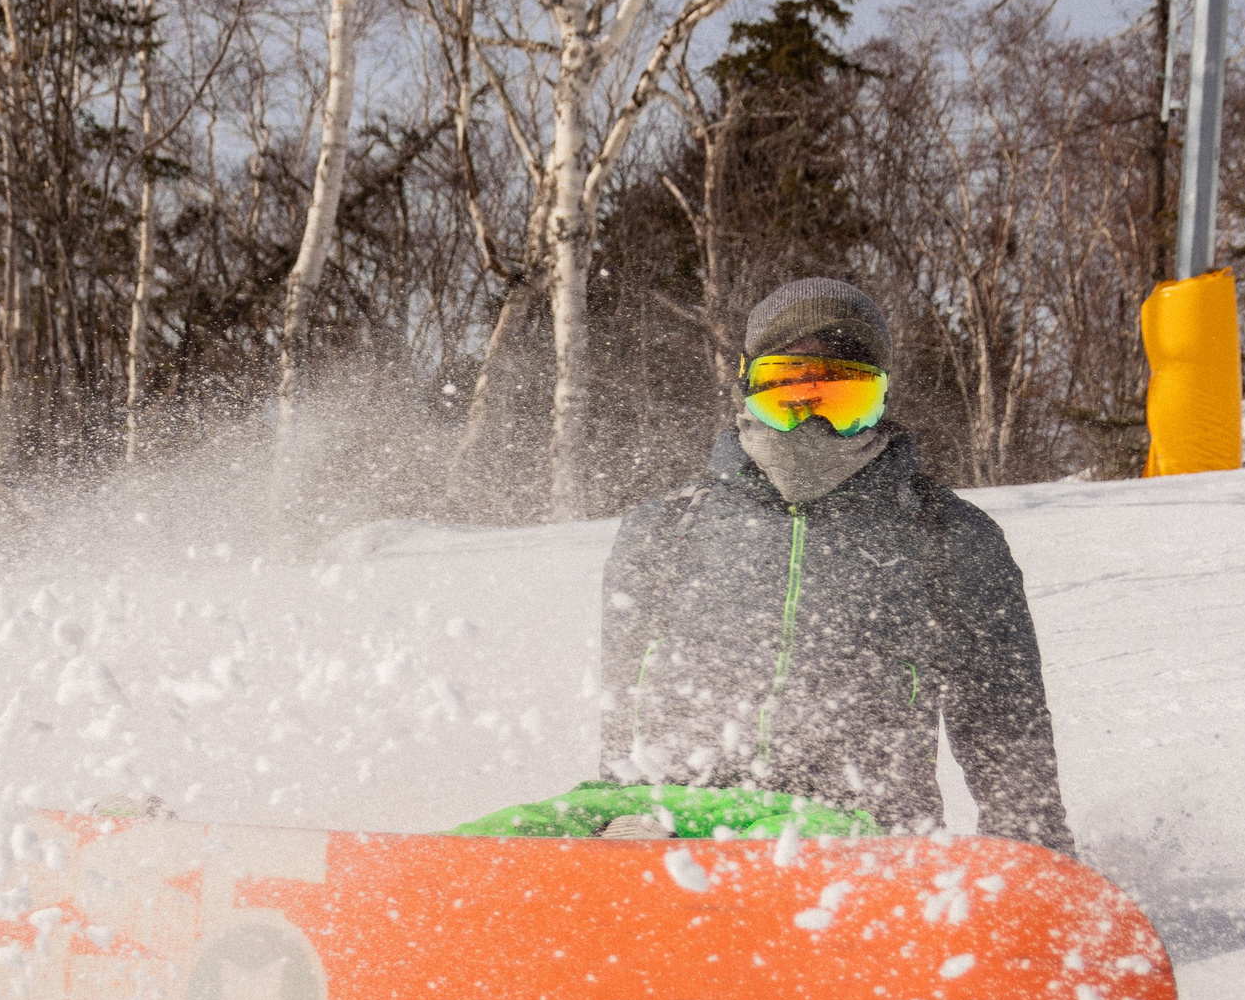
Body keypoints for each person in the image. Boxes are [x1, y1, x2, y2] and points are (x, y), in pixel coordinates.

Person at [458, 278, 1073, 855]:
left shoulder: (947, 537)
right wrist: (618, 828)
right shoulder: (667, 529)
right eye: (789, 394)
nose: (812, 421)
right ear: (747, 388)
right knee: (515, 837)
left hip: (865, 856)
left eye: (842, 398)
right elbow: (628, 713)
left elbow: (1005, 728)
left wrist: (1038, 870)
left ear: (881, 401)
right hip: (682, 842)